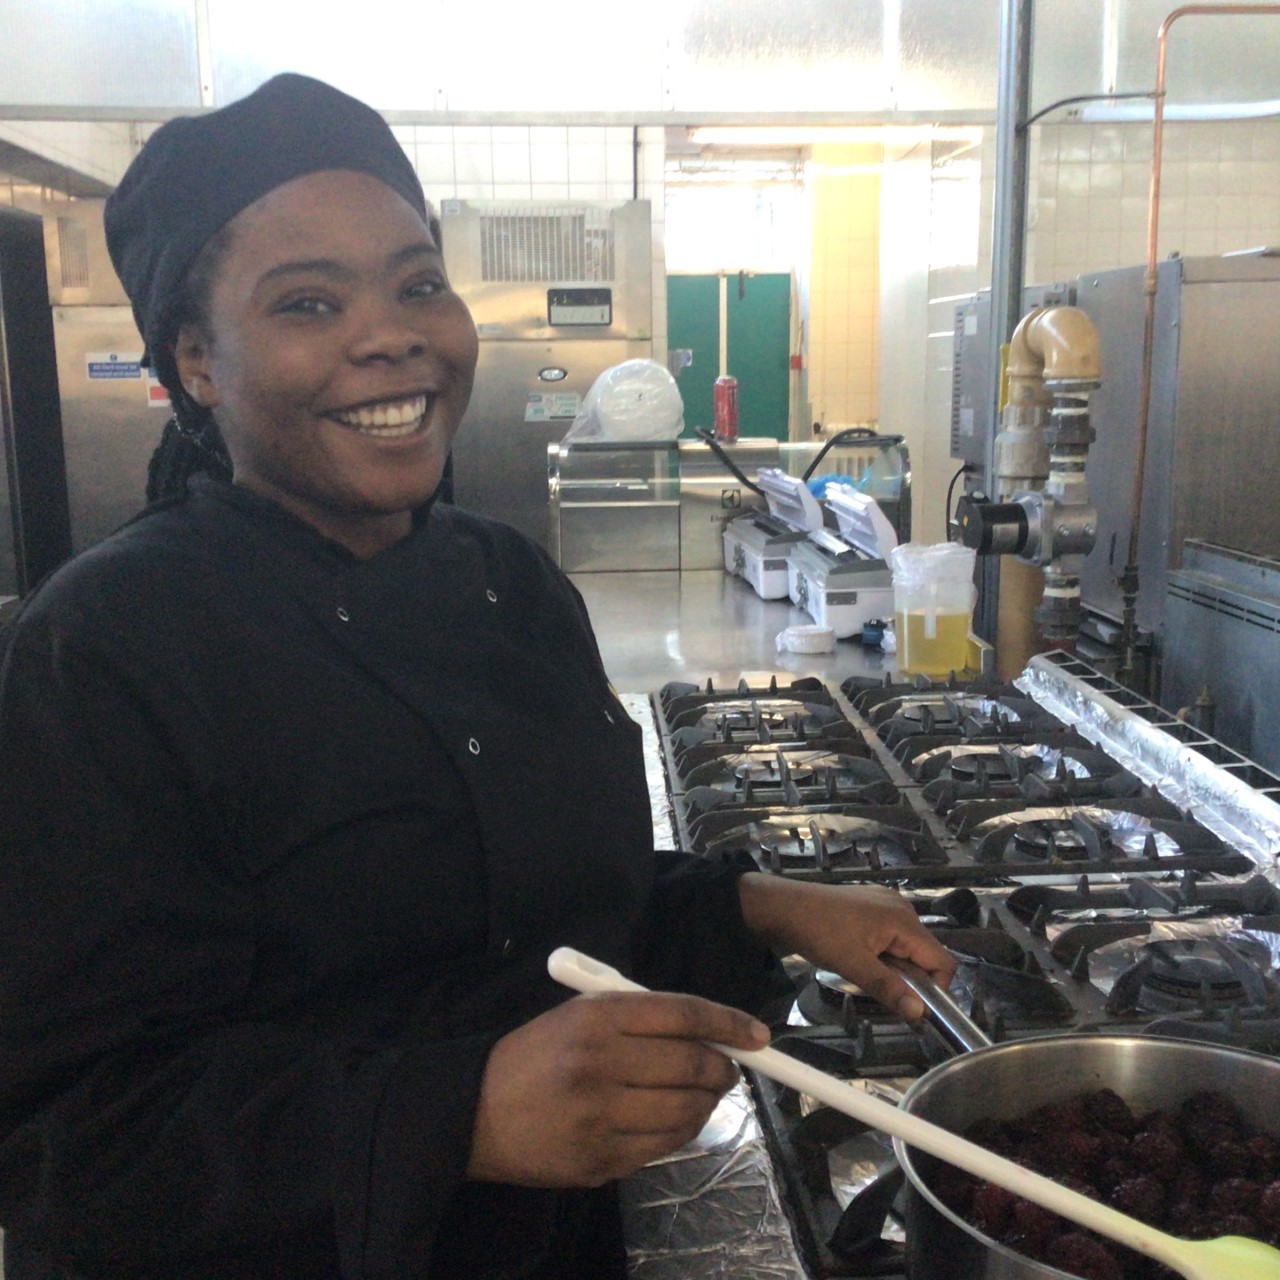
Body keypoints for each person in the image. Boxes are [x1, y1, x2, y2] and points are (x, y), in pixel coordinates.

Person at [0, 73, 955, 1280]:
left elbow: (544, 910)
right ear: (196, 360)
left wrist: (757, 908)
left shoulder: (507, 582)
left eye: (417, 282)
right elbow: (60, 1133)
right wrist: (461, 1113)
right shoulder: (106, 648)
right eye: (307, 301)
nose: (390, 333)